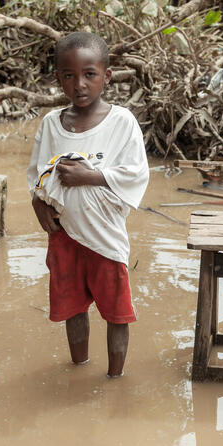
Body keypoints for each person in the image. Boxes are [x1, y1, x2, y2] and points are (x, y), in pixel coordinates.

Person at [27, 31, 149, 378]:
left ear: (106, 76)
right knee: (74, 310)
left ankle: (115, 379)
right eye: (69, 75)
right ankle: (78, 368)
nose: (79, 84)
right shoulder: (52, 124)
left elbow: (136, 174)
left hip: (105, 237)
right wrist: (38, 203)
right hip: (65, 234)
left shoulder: (122, 122)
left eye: (89, 74)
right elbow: (37, 173)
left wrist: (89, 176)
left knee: (116, 314)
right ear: (58, 79)